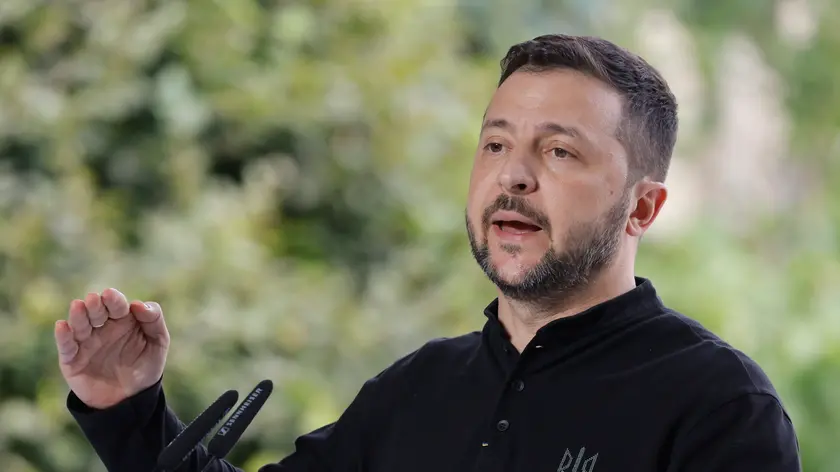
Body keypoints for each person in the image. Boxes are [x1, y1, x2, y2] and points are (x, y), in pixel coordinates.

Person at [55, 34, 801, 472]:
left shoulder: (719, 407)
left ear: (643, 207)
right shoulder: (413, 392)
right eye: (496, 144)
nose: (513, 175)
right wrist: (126, 405)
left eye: (559, 151)